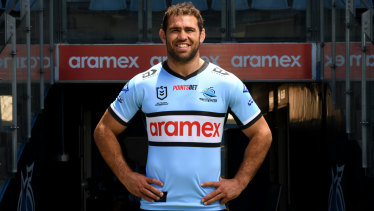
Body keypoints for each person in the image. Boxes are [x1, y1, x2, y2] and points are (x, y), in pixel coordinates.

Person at [93, 2, 272, 210]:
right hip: (157, 206)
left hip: (209, 206)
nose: (182, 36)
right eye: (175, 30)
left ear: (202, 35)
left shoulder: (227, 83)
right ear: (163, 35)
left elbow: (263, 134)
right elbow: (103, 130)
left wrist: (240, 182)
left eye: (189, 30)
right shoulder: (142, 83)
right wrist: (127, 177)